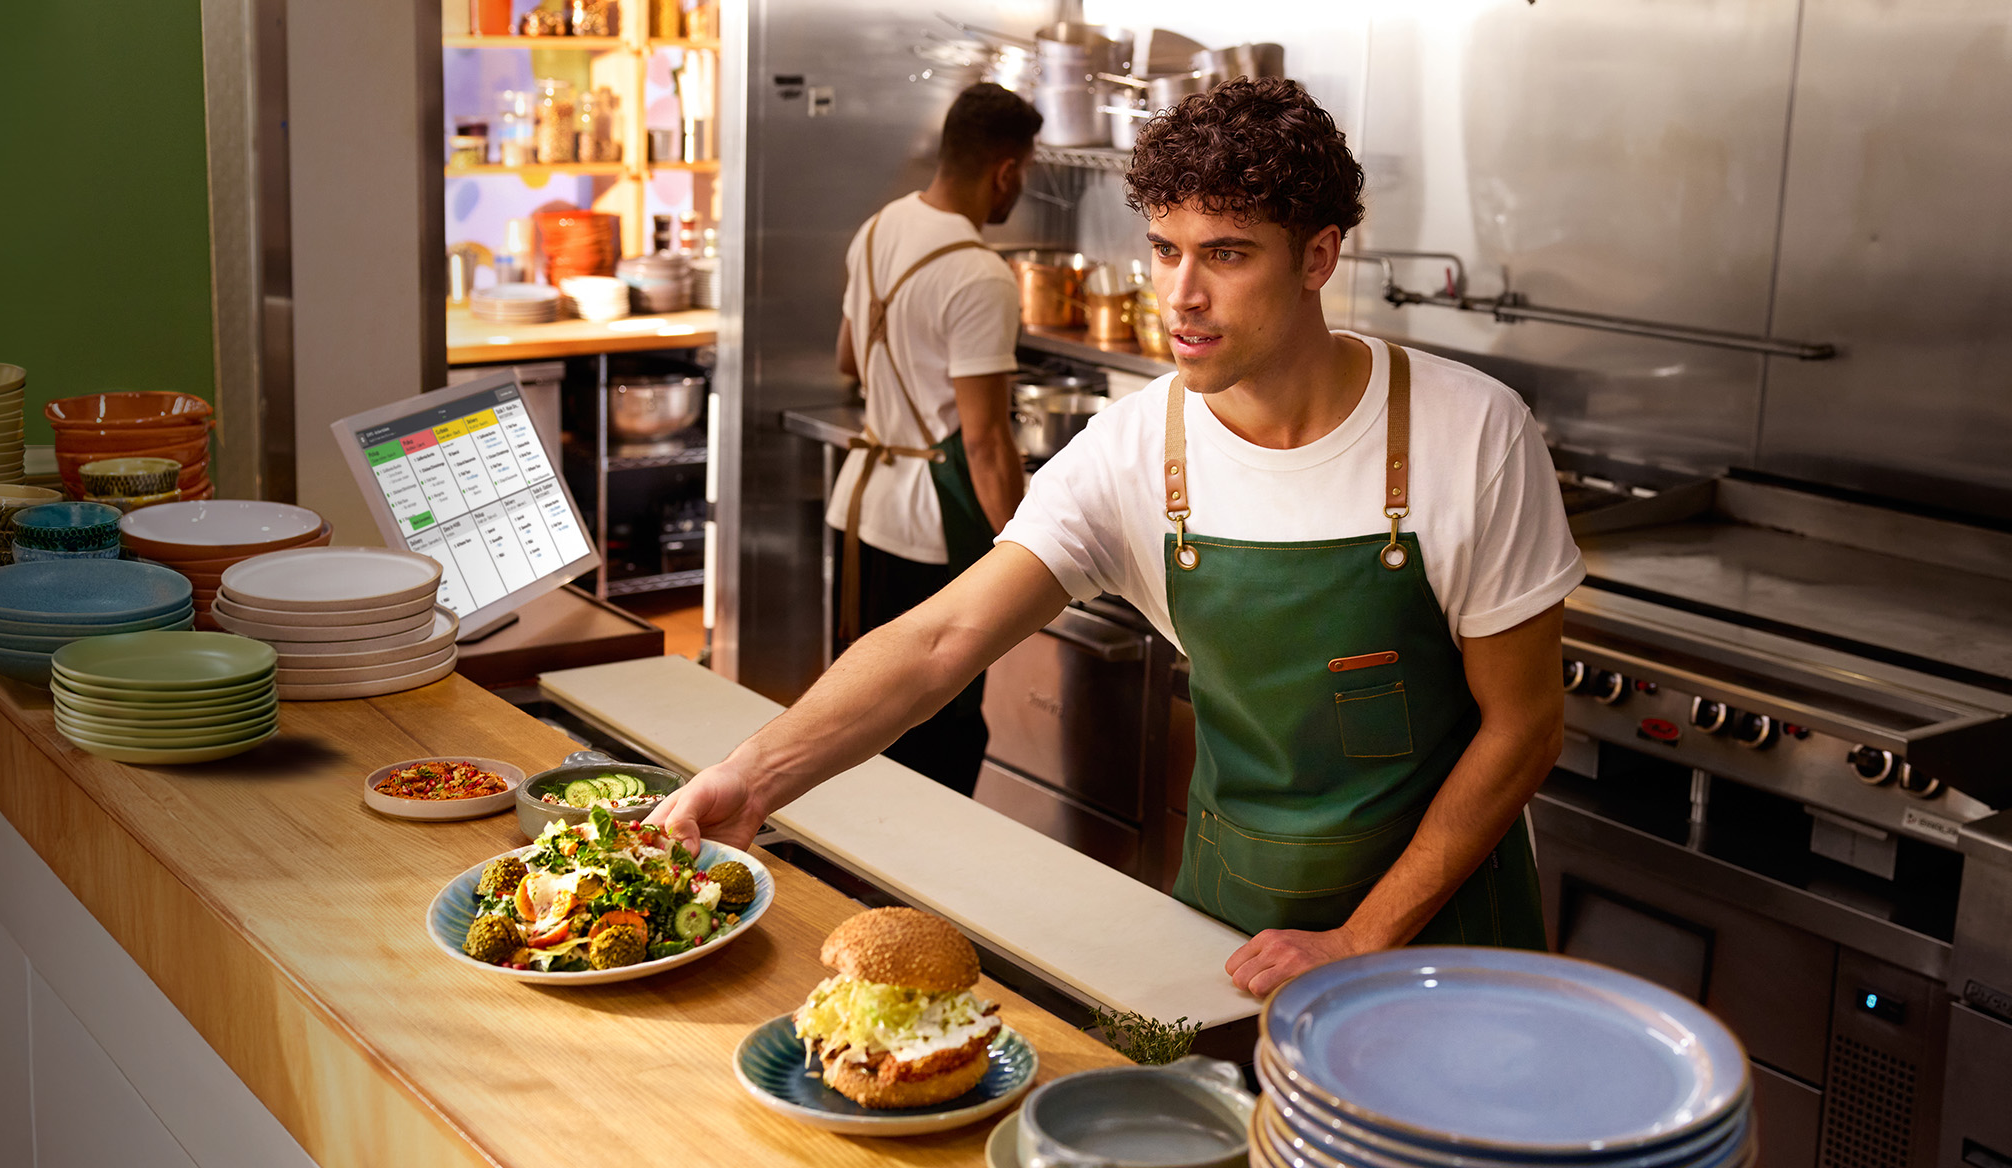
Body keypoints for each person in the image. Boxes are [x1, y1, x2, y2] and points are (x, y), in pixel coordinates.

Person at [657, 78, 1581, 995]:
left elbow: (1525, 726)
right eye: (1164, 250)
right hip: (1230, 930)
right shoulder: (1137, 449)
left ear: (1318, 256)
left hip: (1442, 941)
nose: (1180, 295)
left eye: (1225, 254)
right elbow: (941, 640)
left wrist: (1362, 936)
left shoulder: (1471, 431)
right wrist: (754, 779)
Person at [825, 82, 1040, 796]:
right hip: (931, 522)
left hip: (861, 503)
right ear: (1005, 170)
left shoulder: (878, 227)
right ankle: (916, 895)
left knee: (856, 713)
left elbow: (849, 360)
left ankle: (850, 874)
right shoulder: (980, 273)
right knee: (940, 728)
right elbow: (984, 442)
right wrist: (1027, 549)